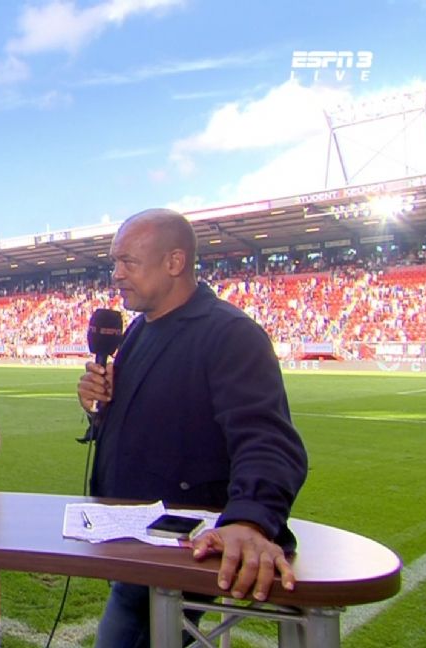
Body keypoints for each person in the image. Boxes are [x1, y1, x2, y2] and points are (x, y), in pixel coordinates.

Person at [76, 209, 308, 647]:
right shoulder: (139, 331)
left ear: (174, 262)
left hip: (181, 551)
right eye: (114, 262)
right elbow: (154, 421)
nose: (116, 274)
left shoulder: (230, 334)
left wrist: (249, 521)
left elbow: (267, 440)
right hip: (134, 540)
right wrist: (99, 408)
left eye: (128, 262)